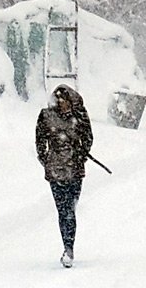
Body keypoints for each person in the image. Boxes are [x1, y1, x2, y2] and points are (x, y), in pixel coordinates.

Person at [36, 84, 93, 268]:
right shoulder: (46, 116)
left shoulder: (80, 115)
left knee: (70, 209)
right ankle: (67, 247)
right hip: (55, 172)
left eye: (65, 101)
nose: (62, 104)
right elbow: (40, 141)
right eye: (59, 101)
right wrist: (47, 160)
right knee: (64, 211)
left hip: (75, 172)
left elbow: (88, 138)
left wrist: (80, 155)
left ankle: (69, 246)